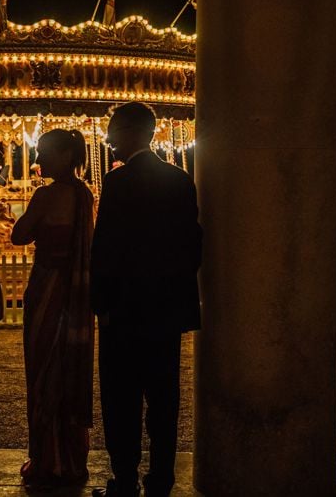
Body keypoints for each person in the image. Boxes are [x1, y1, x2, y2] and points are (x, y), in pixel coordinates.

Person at [90, 102, 201, 497]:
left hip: (125, 309)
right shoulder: (179, 180)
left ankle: (124, 478)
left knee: (122, 400)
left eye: (114, 133)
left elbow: (105, 248)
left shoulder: (118, 183)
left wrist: (100, 303)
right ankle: (161, 477)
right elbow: (193, 244)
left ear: (132, 133)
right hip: (165, 309)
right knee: (163, 397)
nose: (110, 141)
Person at [11, 129, 95, 487]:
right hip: (74, 293)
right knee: (69, 369)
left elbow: (19, 235)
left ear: (65, 155)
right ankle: (71, 458)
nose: (39, 160)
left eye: (45, 153)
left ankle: (48, 458)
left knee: (44, 370)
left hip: (48, 288)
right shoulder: (84, 194)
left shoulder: (46, 196)